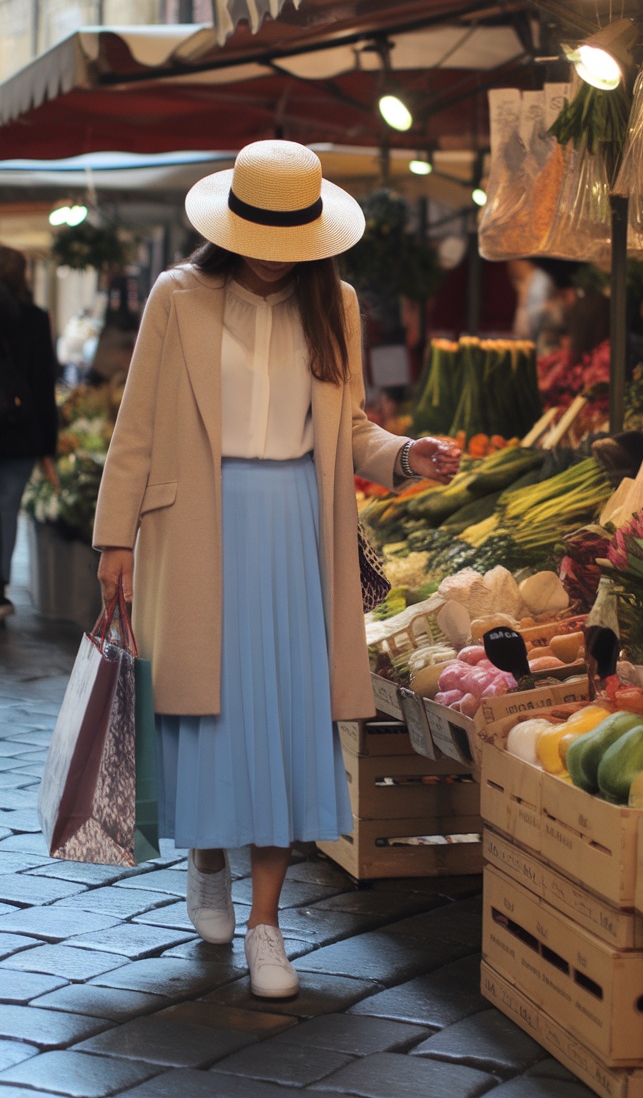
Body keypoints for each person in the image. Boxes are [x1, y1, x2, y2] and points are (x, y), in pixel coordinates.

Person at [93, 141, 460, 1000]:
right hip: (195, 530)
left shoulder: (335, 303)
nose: (272, 249)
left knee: (285, 720)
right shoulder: (177, 296)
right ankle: (207, 861)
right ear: (231, 222)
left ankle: (267, 924)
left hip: (300, 530)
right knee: (208, 714)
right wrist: (115, 538)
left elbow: (353, 429)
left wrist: (409, 455)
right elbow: (137, 424)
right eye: (259, 230)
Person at [0, 246, 58, 619]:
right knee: (6, 510)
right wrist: (48, 446)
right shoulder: (35, 319)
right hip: (21, 434)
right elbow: (42, 383)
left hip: (19, 434)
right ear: (24, 277)